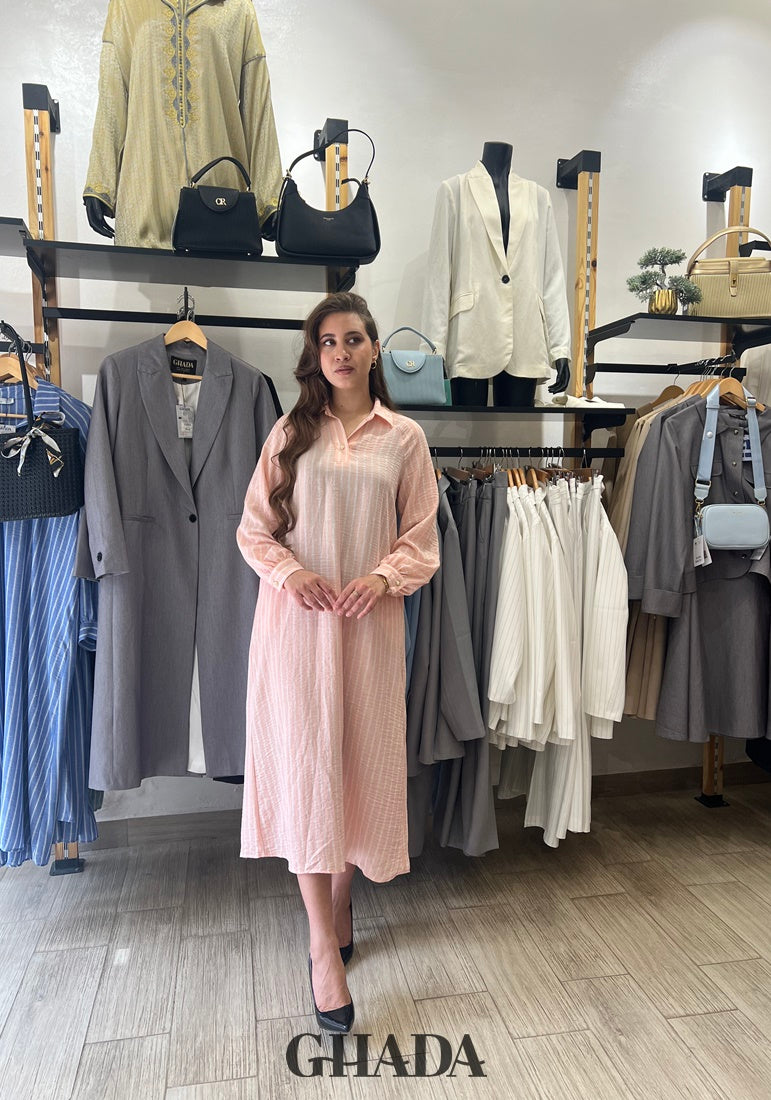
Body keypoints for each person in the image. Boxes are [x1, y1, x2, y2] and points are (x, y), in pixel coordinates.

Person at [236, 292, 440, 1033]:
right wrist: (291, 573)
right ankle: (323, 945)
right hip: (295, 630)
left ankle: (343, 896)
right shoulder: (291, 432)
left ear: (374, 348)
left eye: (353, 339)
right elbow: (253, 530)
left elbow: (421, 538)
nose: (340, 352)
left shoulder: (405, 438)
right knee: (307, 771)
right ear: (314, 355)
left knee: (355, 767)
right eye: (327, 342)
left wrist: (383, 577)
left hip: (369, 629)